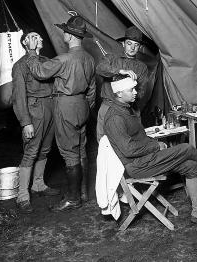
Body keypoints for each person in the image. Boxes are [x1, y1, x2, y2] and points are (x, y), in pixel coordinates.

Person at [103, 77, 197, 225]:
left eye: (134, 89)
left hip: (146, 158)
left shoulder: (126, 109)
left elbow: (139, 138)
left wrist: (155, 144)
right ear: (118, 93)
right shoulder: (115, 118)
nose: (135, 92)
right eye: (131, 90)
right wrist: (156, 146)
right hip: (138, 166)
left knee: (191, 166)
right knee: (186, 148)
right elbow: (128, 149)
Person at [25, 15, 96, 212]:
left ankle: (73, 199)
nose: (63, 33)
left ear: (71, 36)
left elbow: (39, 71)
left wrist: (31, 51)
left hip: (66, 105)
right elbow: (91, 90)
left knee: (69, 152)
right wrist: (84, 108)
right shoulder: (89, 59)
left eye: (65, 31)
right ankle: (82, 193)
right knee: (81, 150)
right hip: (82, 105)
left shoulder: (64, 59)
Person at [11, 30, 60, 213]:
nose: (38, 38)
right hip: (34, 111)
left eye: (38, 36)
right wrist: (25, 122)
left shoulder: (46, 61)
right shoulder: (21, 65)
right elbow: (19, 97)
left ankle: (38, 184)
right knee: (31, 151)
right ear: (25, 42)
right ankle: (22, 195)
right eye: (32, 36)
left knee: (45, 149)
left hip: (51, 108)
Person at [96, 25, 148, 142]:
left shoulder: (142, 67)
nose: (132, 48)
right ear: (123, 43)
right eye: (129, 43)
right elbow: (100, 68)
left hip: (131, 109)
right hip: (108, 106)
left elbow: (141, 92)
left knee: (135, 142)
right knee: (105, 143)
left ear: (140, 47)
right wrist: (119, 71)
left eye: (136, 45)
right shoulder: (111, 59)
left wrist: (129, 92)